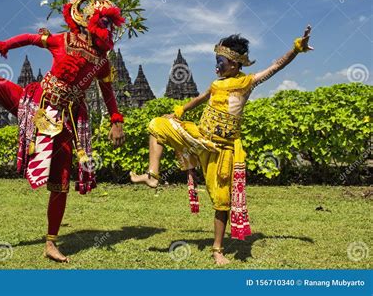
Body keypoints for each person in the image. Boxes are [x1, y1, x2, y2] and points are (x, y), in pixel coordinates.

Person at [0, 0, 126, 263]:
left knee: (61, 182)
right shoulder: (63, 40)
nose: (106, 28)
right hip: (35, 104)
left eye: (109, 23)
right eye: (103, 22)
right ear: (86, 20)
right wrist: (0, 47)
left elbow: (108, 93)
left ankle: (51, 243)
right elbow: (30, 38)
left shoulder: (102, 62)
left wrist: (116, 121)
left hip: (66, 121)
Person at [131, 25, 314, 265]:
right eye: (217, 60)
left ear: (236, 64)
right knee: (157, 125)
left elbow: (276, 66)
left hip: (223, 149)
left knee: (221, 201)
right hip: (200, 136)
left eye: (222, 61)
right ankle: (152, 175)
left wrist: (295, 49)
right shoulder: (216, 84)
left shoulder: (247, 82)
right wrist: (178, 112)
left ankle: (217, 249)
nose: (217, 66)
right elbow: (200, 99)